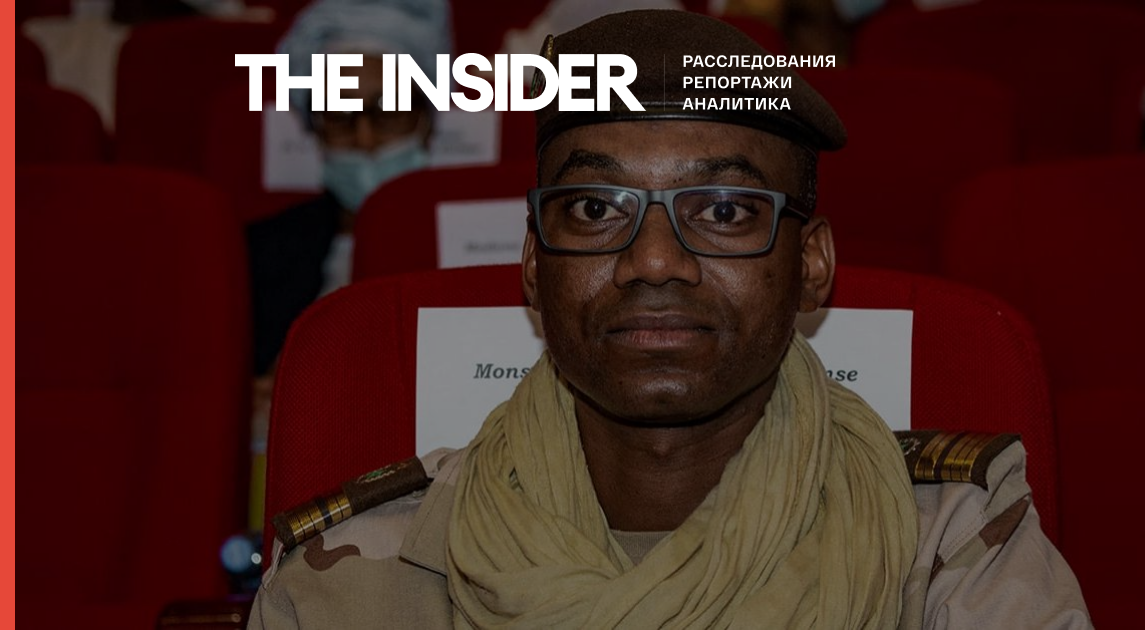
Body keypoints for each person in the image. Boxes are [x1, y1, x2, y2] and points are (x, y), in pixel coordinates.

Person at [248, 10, 1091, 629]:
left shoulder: (953, 556)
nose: (655, 261)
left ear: (812, 265)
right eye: (594, 208)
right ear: (534, 264)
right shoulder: (342, 583)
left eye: (724, 211)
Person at [248, 0, 452, 377]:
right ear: (315, 130)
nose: (365, 139)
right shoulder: (259, 255)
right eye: (341, 116)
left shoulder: (468, 245)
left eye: (388, 112)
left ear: (426, 123)